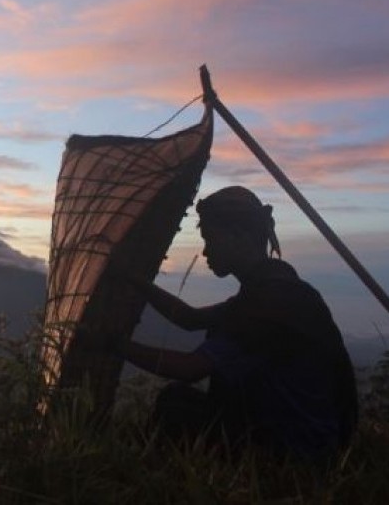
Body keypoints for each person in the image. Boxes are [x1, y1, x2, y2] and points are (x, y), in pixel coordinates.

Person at [113, 186, 358, 461]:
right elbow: (190, 319)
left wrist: (113, 346)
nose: (205, 252)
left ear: (240, 236)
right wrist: (135, 280)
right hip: (295, 433)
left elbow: (190, 369)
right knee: (176, 399)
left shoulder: (273, 301)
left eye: (210, 239)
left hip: (293, 447)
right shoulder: (271, 290)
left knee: (176, 413)